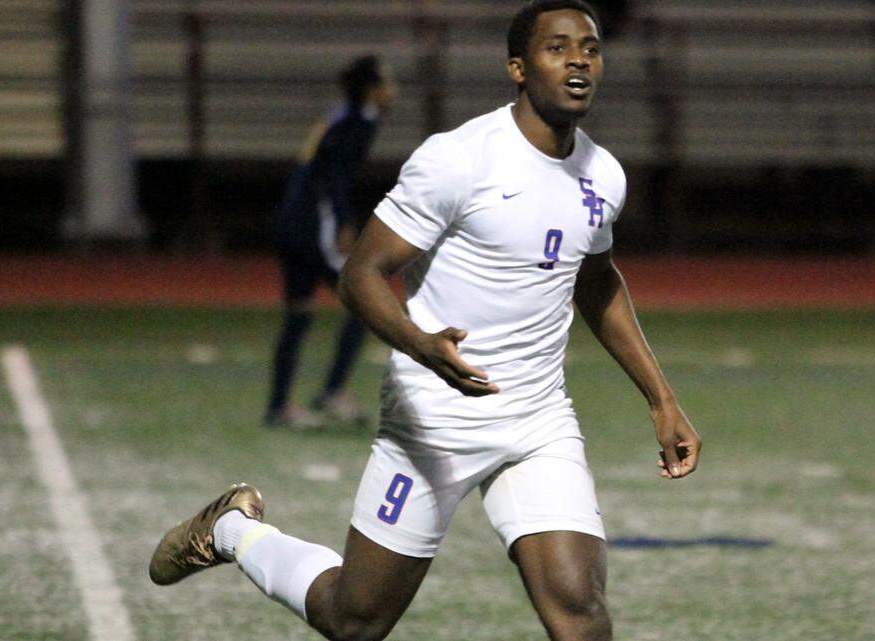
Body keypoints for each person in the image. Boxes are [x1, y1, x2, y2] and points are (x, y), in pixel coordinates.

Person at [149, 2, 701, 640]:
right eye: (558, 47)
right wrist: (423, 347)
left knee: (580, 616)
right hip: (434, 423)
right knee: (355, 620)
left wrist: (662, 399)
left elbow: (597, 280)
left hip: (537, 421)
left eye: (591, 47)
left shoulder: (603, 176)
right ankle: (231, 531)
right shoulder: (459, 159)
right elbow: (360, 275)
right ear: (518, 69)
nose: (579, 58)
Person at [265, 55, 397, 428]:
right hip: (312, 224)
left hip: (291, 220)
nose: (393, 91)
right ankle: (334, 391)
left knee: (299, 314)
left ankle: (279, 406)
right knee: (365, 299)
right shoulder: (360, 121)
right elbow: (333, 177)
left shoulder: (340, 115)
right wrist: (342, 222)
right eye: (387, 83)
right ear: (372, 89)